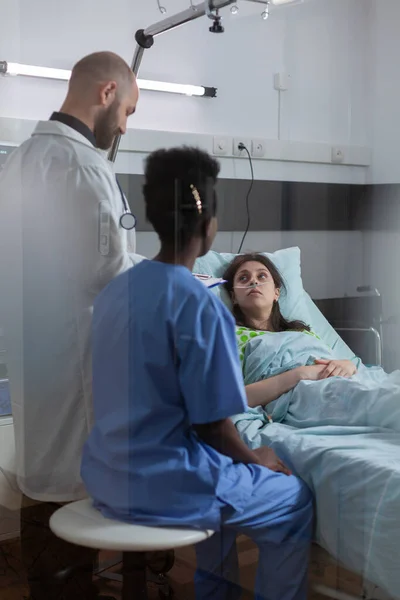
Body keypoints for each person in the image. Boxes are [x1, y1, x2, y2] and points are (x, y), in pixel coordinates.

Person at [81, 147, 314, 600]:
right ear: (209, 225)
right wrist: (258, 459)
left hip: (107, 472)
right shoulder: (201, 304)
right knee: (294, 501)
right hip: (165, 486)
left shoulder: (115, 292)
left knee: (221, 487)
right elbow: (212, 427)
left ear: (151, 214)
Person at [0, 51, 139, 600]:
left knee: (45, 489)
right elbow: (105, 275)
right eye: (127, 110)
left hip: (36, 360)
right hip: (80, 368)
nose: (125, 125)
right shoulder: (83, 167)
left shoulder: (19, 161)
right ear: (106, 93)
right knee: (73, 497)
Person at [223, 253, 400, 432]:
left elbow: (333, 360)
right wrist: (301, 374)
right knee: (384, 400)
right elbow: (233, 398)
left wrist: (347, 365)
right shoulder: (231, 336)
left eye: (261, 276)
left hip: (348, 379)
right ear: (234, 297)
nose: (254, 281)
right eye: (243, 278)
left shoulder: (301, 331)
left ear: (276, 292)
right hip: (305, 394)